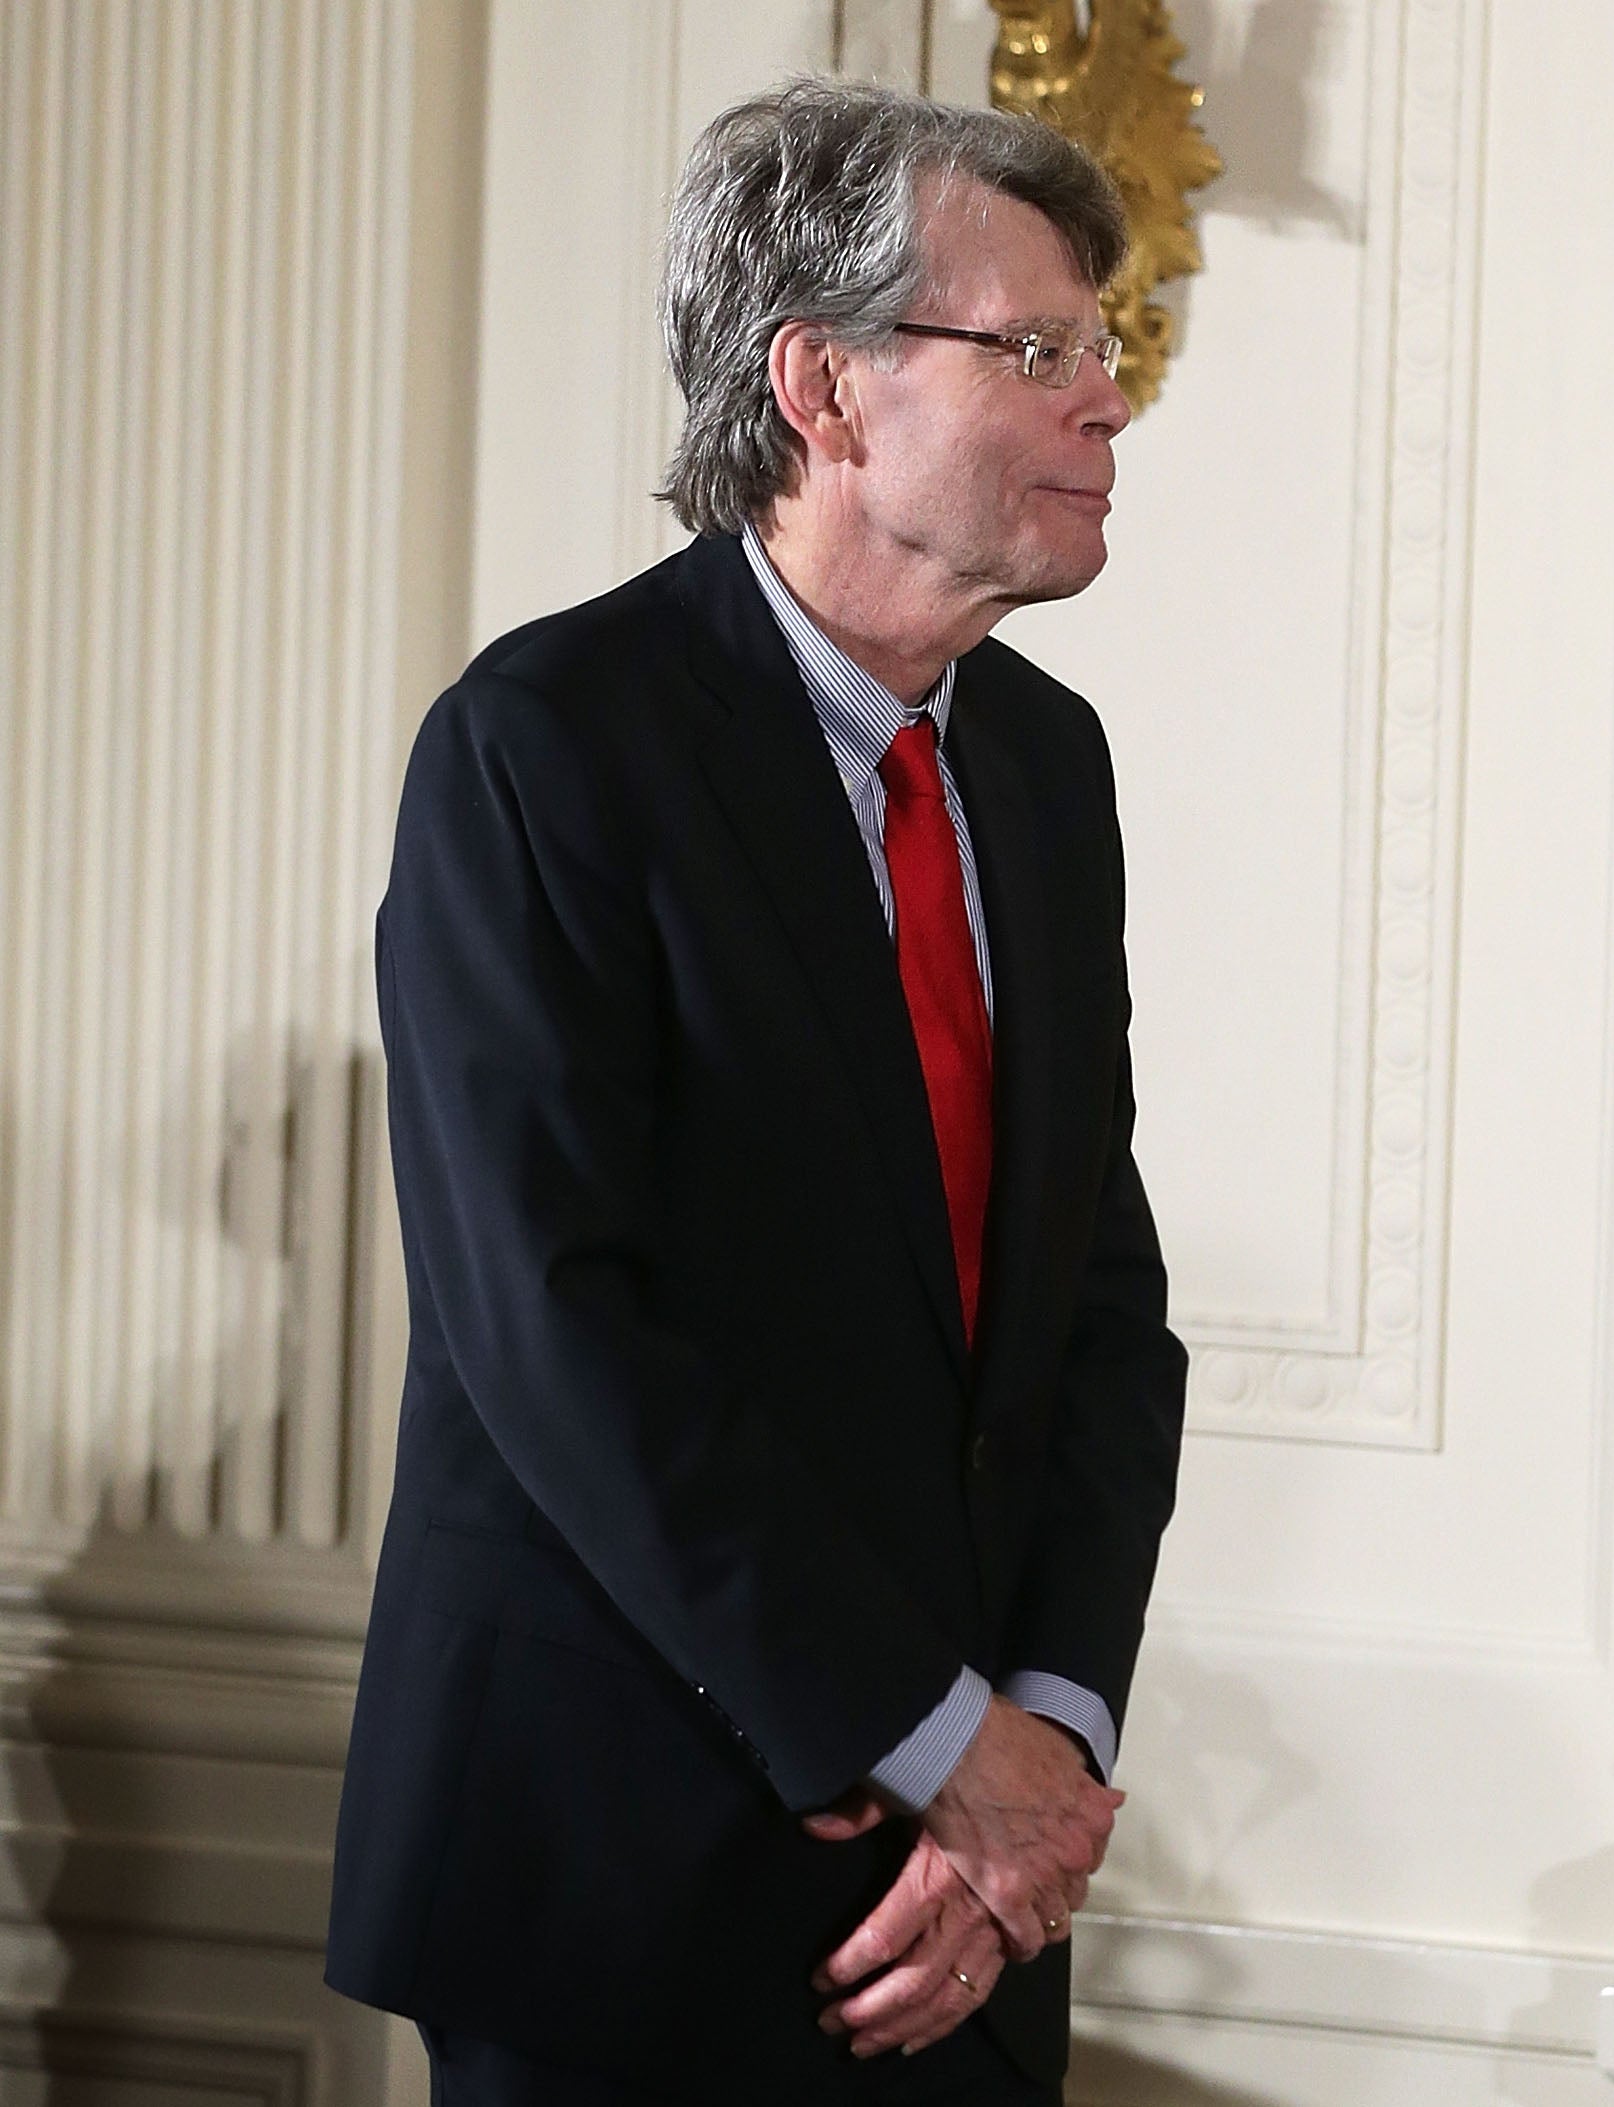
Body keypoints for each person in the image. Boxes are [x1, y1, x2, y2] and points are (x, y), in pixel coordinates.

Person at [326, 80, 1187, 2106]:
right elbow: (552, 1327)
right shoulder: (547, 746)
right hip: (619, 1870)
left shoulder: (1047, 772)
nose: (1109, 404)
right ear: (823, 383)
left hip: (976, 1890)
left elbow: (1098, 1311)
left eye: (1105, 351)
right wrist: (928, 1737)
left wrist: (1039, 1749)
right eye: (1041, 347)